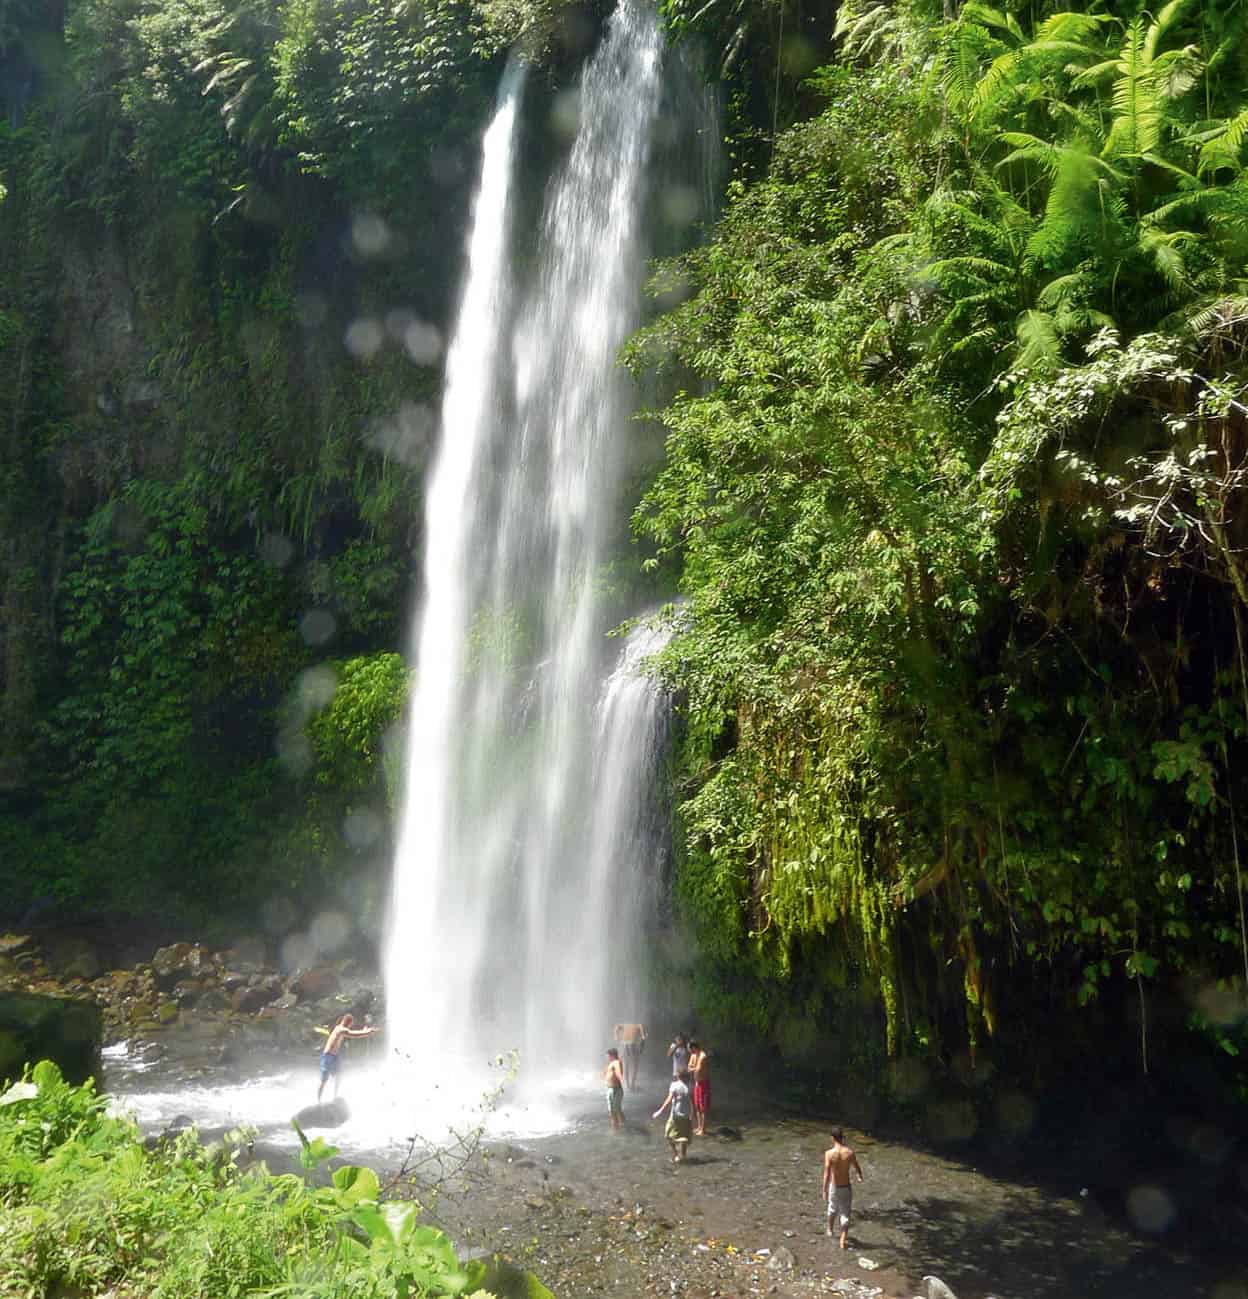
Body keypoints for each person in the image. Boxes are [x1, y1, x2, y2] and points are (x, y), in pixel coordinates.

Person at [317, 1012, 379, 1102]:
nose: (350, 1027)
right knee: (324, 1080)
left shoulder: (340, 1028)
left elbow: (355, 1032)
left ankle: (335, 1098)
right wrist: (367, 1032)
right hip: (327, 1056)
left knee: (339, 1076)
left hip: (335, 1056)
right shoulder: (340, 1029)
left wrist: (365, 1031)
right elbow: (354, 1034)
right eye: (350, 1025)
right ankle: (318, 1100)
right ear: (347, 1023)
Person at [822, 1127, 865, 1249]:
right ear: (842, 1137)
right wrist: (859, 1175)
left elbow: (827, 1173)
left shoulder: (829, 1154)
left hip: (834, 1187)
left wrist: (824, 1190)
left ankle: (830, 1230)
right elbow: (856, 1166)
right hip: (846, 1187)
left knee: (832, 1208)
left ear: (832, 1138)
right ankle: (842, 1240)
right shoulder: (849, 1152)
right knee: (845, 1213)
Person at [652, 1067, 693, 1163]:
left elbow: (669, 1099)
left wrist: (660, 1110)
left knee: (668, 1134)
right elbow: (692, 1103)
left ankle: (676, 1154)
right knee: (684, 1136)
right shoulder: (690, 1086)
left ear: (678, 1075)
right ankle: (683, 1156)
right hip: (686, 1116)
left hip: (675, 1115)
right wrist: (692, 1115)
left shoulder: (674, 1085)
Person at [612, 1022, 646, 1089]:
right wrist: (643, 1036)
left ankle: (627, 1085)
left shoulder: (625, 1025)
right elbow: (641, 1026)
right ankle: (632, 1084)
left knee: (626, 1064)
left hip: (624, 1044)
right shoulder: (638, 1025)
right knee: (635, 1064)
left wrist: (616, 1037)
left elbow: (616, 1026)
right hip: (631, 1043)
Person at [687, 1039, 710, 1135]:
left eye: (689, 1048)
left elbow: (699, 1070)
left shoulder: (703, 1056)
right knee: (697, 1106)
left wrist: (694, 1068)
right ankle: (699, 1127)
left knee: (703, 1107)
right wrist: (694, 1068)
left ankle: (703, 1129)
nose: (689, 1050)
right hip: (696, 1083)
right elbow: (689, 1068)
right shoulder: (693, 1055)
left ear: (694, 1047)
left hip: (703, 1083)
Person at [603, 1047, 625, 1129]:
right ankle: (620, 1125)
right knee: (614, 1111)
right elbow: (606, 1074)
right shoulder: (611, 1064)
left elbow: (618, 1071)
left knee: (615, 1111)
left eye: (608, 1056)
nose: (607, 1058)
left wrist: (620, 1077)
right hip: (610, 1089)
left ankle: (618, 1127)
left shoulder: (616, 1062)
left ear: (611, 1055)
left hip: (615, 1090)